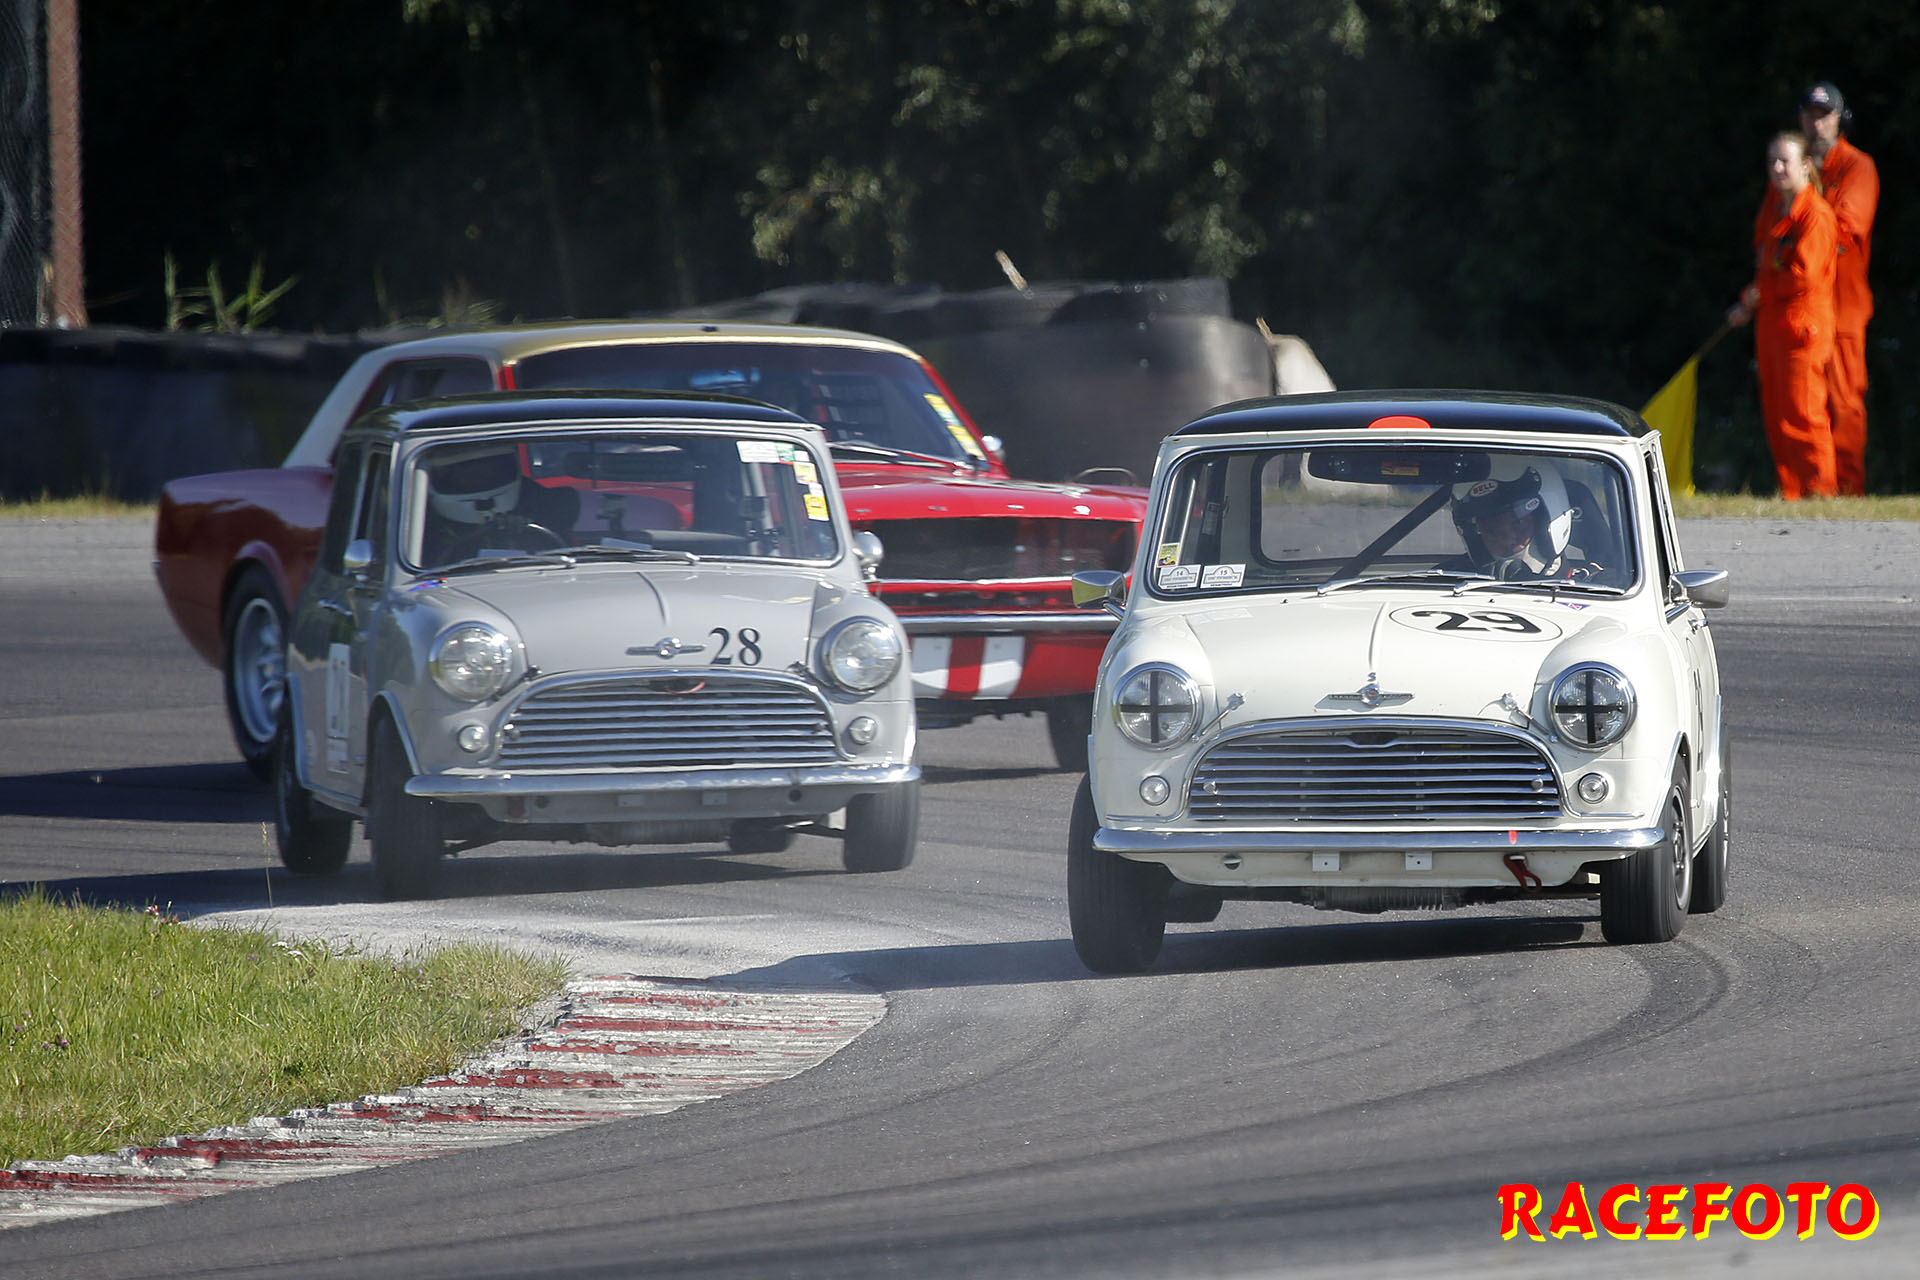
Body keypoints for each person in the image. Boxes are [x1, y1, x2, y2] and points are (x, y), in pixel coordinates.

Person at [1726, 131, 1839, 500]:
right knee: (1778, 413)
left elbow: (1803, 275)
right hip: (1773, 324)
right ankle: (1792, 492)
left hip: (1802, 327)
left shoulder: (1815, 214)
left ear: (1805, 165)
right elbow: (1766, 266)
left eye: (1784, 161)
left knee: (1804, 413)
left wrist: (1762, 292)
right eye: (1772, 161)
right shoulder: (1776, 211)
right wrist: (1750, 299)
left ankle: (1820, 491)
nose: (1777, 168)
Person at [1800, 82, 1878, 495]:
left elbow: (1846, 230)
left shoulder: (1857, 166)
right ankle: (1811, 488)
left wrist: (1805, 217)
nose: (1817, 124)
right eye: (1810, 116)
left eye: (1824, 116)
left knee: (1845, 401)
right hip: (1804, 307)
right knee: (1803, 401)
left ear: (1840, 119)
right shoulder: (1793, 166)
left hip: (1843, 307)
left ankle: (1848, 490)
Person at [1449, 459, 1599, 581]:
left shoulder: (1596, 589)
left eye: (1517, 524)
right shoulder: (1447, 580)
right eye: (1492, 530)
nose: (1507, 538)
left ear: (1544, 522)